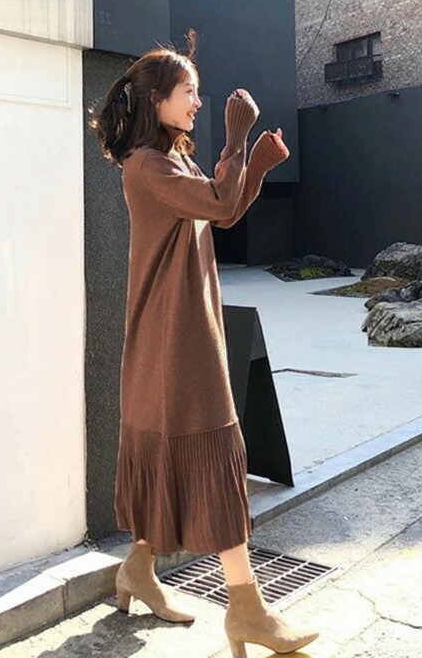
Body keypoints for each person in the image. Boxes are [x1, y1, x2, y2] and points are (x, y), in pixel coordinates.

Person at [88, 39, 319, 656]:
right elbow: (218, 201)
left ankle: (139, 570)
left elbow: (222, 211)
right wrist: (237, 140)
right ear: (156, 100)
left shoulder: (172, 161)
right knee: (216, 454)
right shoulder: (146, 166)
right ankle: (247, 610)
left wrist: (257, 165)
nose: (197, 102)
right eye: (188, 92)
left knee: (175, 453)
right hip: (173, 336)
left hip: (184, 330)